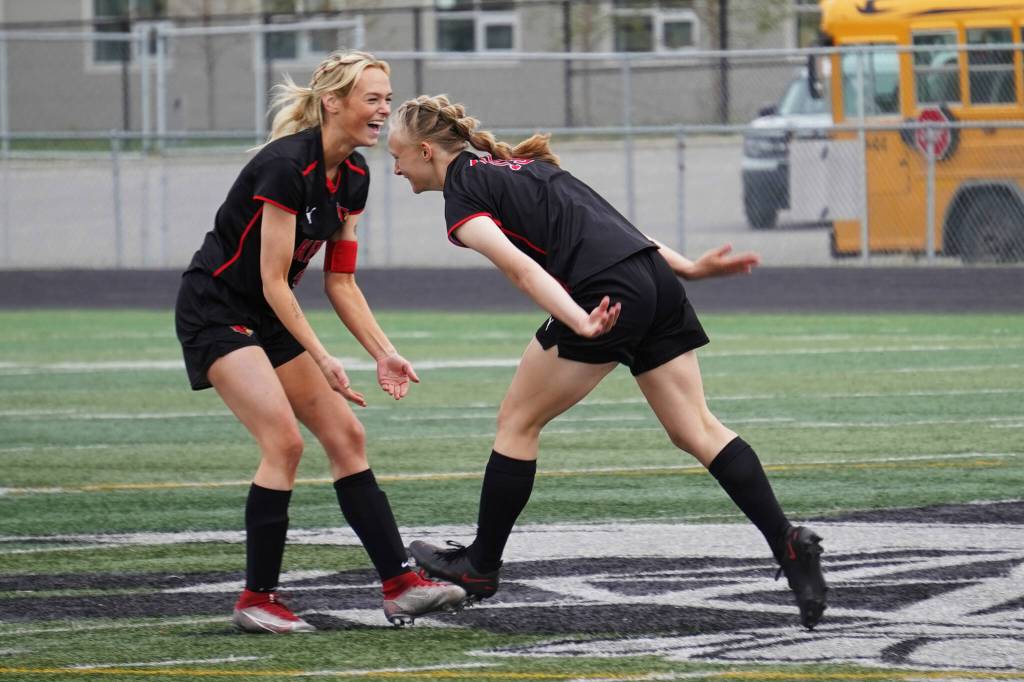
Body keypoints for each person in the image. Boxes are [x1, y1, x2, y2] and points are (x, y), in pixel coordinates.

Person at [386, 94, 828, 630]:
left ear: (428, 151)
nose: (394, 168)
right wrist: (686, 268)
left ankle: (481, 565)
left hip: (606, 293)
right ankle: (788, 543)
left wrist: (577, 318)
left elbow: (520, 269)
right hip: (651, 279)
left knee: (517, 422)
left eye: (399, 156)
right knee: (696, 428)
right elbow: (613, 223)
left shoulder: (464, 190)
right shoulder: (522, 166)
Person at [174, 53, 465, 633]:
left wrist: (383, 350)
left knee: (346, 436)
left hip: (268, 317)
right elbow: (272, 281)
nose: (384, 109)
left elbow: (341, 282)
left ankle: (401, 584)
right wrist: (325, 358)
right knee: (284, 443)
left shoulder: (355, 176)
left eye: (387, 98)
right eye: (372, 98)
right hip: (217, 312)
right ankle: (257, 600)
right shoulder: (285, 165)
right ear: (333, 102)